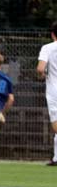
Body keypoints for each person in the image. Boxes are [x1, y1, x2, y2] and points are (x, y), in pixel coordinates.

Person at [37, 21, 57, 166]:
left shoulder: (48, 48)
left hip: (54, 90)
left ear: (52, 34)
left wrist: (43, 75)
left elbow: (40, 69)